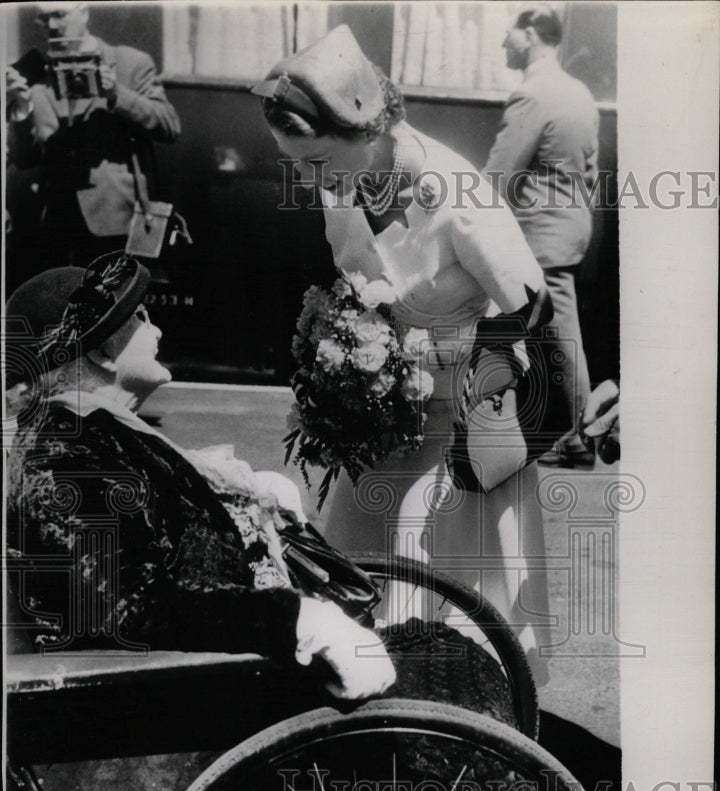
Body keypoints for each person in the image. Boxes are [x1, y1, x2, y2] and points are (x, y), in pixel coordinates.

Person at [254, 25, 555, 686]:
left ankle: (458, 714)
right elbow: (362, 284)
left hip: (463, 431)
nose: (307, 182)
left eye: (315, 163)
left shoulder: (456, 194)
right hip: (387, 422)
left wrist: (479, 395)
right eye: (294, 165)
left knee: (436, 592)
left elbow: (530, 307)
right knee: (354, 581)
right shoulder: (344, 182)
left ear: (369, 132)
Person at [5, 252, 395, 703]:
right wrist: (298, 622)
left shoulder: (87, 431)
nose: (157, 329)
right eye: (141, 317)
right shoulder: (64, 454)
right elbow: (122, 608)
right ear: (100, 352)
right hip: (185, 710)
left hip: (214, 679)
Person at [484, 3, 599, 468]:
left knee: (554, 335)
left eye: (509, 30)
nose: (503, 41)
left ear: (531, 32)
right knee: (546, 333)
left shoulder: (532, 94)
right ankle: (572, 435)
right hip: (567, 229)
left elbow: (498, 175)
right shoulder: (578, 92)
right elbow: (588, 171)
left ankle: (578, 437)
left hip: (539, 235)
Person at [6, 2, 180, 270]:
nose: (52, 25)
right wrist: (19, 111)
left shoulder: (129, 63)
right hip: (57, 227)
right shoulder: (36, 77)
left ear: (84, 11)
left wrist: (116, 95)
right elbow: (25, 160)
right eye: (44, 19)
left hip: (118, 226)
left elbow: (169, 126)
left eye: (60, 15)